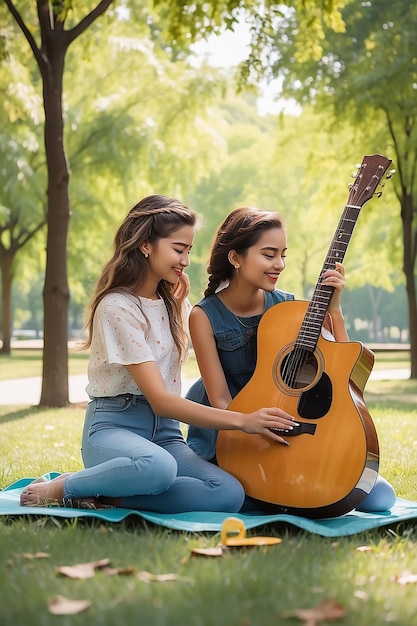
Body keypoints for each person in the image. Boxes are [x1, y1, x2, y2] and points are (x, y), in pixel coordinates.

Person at [20, 195, 297, 514]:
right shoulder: (117, 307)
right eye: (178, 250)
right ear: (146, 245)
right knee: (158, 469)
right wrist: (244, 421)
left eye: (189, 251)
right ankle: (65, 487)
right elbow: (162, 400)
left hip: (166, 436)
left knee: (228, 493)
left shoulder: (177, 305)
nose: (185, 261)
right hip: (115, 428)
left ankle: (106, 495)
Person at [186, 206, 396, 513]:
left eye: (283, 254)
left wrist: (334, 309)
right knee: (250, 499)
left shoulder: (287, 307)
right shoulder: (204, 316)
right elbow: (220, 400)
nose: (279, 264)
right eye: (269, 254)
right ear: (235, 258)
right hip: (239, 435)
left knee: (380, 498)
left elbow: (343, 363)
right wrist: (253, 424)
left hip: (296, 431)